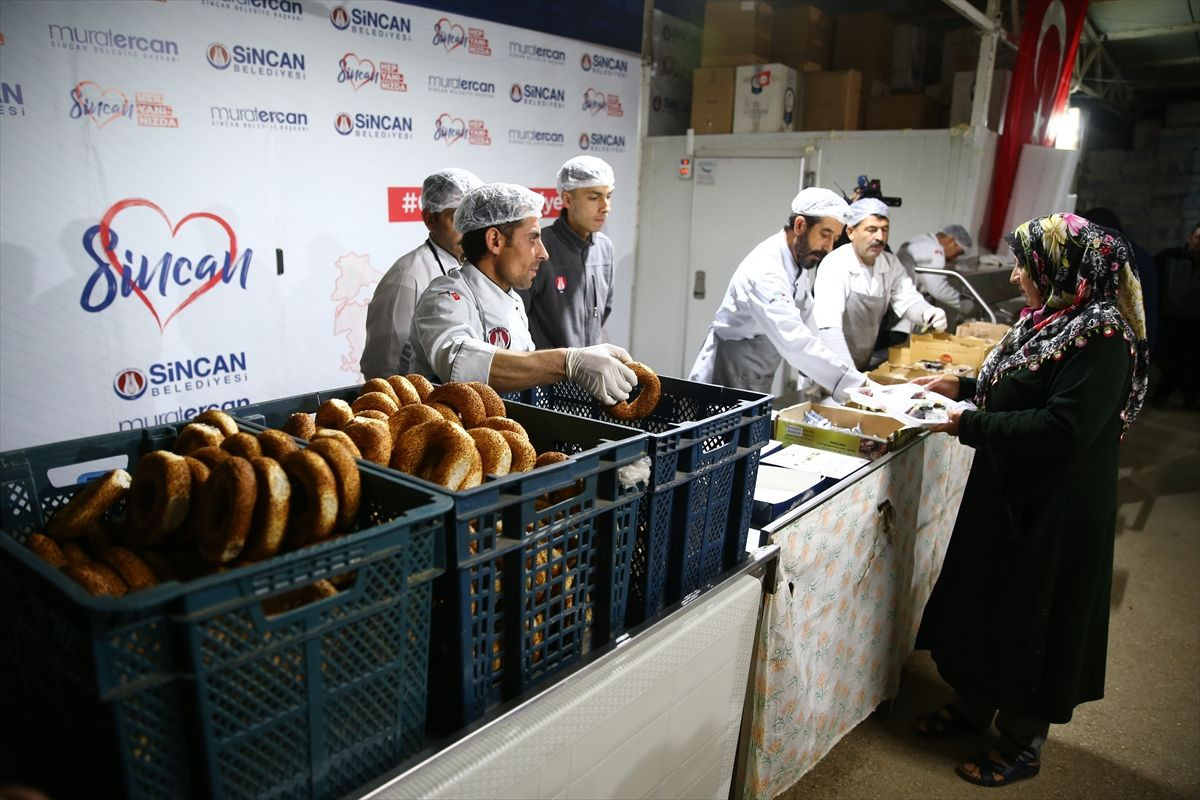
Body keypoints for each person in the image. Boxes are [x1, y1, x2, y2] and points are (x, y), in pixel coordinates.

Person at [910, 213, 1148, 787]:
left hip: (1054, 507)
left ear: (1063, 266)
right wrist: (964, 387)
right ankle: (973, 706)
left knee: (1032, 613)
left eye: (1026, 263)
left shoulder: (1103, 336)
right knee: (988, 599)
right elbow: (1022, 380)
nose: (1017, 275)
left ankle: (1022, 740)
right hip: (1010, 489)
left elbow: (1065, 427)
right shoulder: (1052, 319)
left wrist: (972, 425)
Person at [408, 183, 636, 404]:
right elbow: (460, 363)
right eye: (533, 239)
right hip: (454, 437)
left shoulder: (513, 299)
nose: (544, 254)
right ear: (495, 240)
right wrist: (568, 361)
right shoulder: (445, 298)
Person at [687, 187, 867, 400]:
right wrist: (853, 384)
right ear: (800, 225)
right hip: (727, 373)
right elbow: (794, 341)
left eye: (835, 238)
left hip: (757, 372)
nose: (828, 248)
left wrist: (834, 376)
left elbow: (809, 324)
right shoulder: (766, 270)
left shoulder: (797, 263)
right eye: (825, 235)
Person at [360, 168, 483, 378]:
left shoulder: (478, 267)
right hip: (420, 403)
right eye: (456, 217)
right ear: (429, 219)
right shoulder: (407, 276)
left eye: (472, 217)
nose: (468, 228)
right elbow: (382, 366)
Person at [813, 198, 946, 371]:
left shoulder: (890, 264)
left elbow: (907, 299)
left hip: (859, 362)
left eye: (885, 230)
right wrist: (847, 374)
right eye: (871, 230)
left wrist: (927, 312)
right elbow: (829, 328)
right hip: (826, 366)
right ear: (851, 231)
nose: (880, 237)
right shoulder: (836, 264)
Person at [518, 155, 615, 349]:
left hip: (590, 373)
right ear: (567, 199)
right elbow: (518, 319)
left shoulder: (605, 248)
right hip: (545, 375)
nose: (605, 207)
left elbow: (603, 312)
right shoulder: (538, 247)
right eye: (594, 197)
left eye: (608, 196)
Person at [894, 224, 976, 333]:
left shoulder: (922, 240)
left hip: (900, 302)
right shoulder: (933, 250)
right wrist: (965, 304)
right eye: (959, 252)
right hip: (904, 307)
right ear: (951, 241)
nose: (954, 258)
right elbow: (938, 289)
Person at [1152, 220, 1199, 409]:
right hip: (1169, 321)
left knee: (1192, 362)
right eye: (1198, 238)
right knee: (1170, 362)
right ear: (1190, 237)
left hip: (1195, 323)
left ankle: (1190, 400)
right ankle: (1161, 397)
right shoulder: (1169, 257)